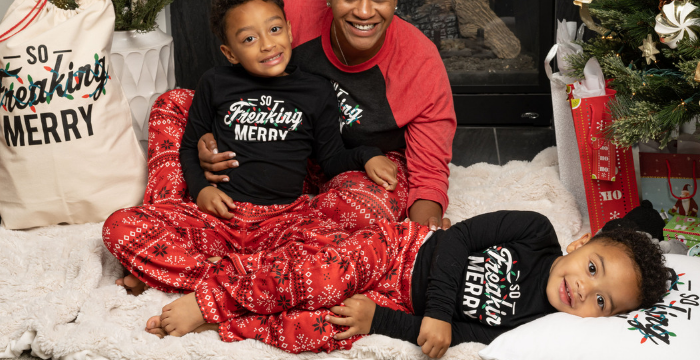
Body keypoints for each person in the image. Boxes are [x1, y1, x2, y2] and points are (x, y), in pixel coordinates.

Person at [103, 0, 397, 295]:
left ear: (289, 29)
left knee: (343, 252)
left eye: (274, 30)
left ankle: (195, 275)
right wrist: (201, 190)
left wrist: (367, 154)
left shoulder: (316, 90)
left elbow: (329, 159)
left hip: (284, 219)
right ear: (230, 52)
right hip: (221, 216)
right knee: (117, 226)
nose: (268, 44)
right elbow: (189, 144)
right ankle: (250, 279)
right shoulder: (216, 82)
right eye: (249, 39)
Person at [196, 0, 457, 231]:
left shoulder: (420, 61)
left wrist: (426, 232)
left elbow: (429, 174)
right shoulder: (292, 17)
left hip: (362, 165)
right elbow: (237, 79)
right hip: (279, 147)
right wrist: (209, 136)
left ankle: (283, 234)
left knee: (366, 209)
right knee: (171, 107)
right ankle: (179, 224)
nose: (364, 12)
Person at [143, 210, 671, 356]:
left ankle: (235, 322)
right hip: (403, 250)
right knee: (320, 274)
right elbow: (459, 238)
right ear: (581, 244)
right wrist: (440, 310)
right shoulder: (536, 232)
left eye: (601, 302)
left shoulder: (533, 330)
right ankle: (213, 298)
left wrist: (381, 321)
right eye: (594, 269)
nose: (584, 289)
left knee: (321, 329)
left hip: (394, 301)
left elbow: (455, 337)